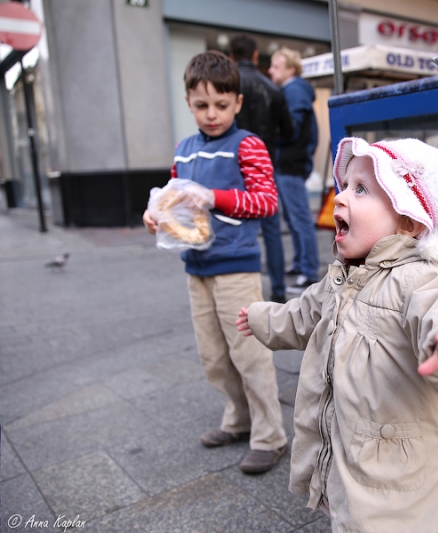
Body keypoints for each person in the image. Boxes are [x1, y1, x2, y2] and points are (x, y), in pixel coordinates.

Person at [236, 137, 438, 531]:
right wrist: (264, 318)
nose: (341, 197)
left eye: (360, 189)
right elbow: (304, 313)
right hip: (358, 466)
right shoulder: (343, 278)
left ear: (408, 222)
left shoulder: (421, 278)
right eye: (344, 185)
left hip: (413, 489)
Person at [142, 50, 287, 475]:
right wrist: (156, 216)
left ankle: (270, 436)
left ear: (238, 103)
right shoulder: (183, 150)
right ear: (188, 102)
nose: (211, 115)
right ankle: (238, 419)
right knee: (214, 357)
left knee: (249, 355)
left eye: (221, 105)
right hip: (197, 269)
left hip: (236, 269)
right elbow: (173, 199)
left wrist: (214, 197)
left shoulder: (248, 145)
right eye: (201, 106)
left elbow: (266, 201)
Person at [230, 34, 295, 303]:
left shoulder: (230, 88)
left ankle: (239, 292)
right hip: (265, 166)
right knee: (271, 232)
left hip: (233, 167)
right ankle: (278, 290)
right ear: (256, 56)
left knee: (236, 227)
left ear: (232, 57)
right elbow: (289, 131)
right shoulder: (273, 88)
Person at [268, 46, 320, 293]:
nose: (270, 71)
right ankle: (301, 264)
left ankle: (309, 273)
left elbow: (292, 129)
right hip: (290, 163)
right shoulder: (293, 90)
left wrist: (271, 135)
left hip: (290, 163)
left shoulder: (295, 89)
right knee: (294, 218)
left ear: (290, 69)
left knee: (299, 219)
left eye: (275, 66)